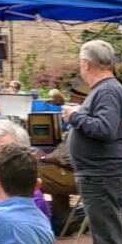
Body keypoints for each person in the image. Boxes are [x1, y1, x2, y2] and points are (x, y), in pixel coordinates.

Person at [62, 39, 122, 244]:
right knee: (110, 236)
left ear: (85, 63)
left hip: (102, 174)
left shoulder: (108, 91)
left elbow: (104, 128)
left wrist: (75, 116)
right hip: (99, 173)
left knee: (107, 238)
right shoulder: (106, 90)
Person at [35, 84, 82, 235]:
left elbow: (67, 159)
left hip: (83, 178)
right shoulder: (88, 122)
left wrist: (43, 157)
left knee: (31, 176)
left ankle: (33, 225)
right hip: (86, 175)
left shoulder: (81, 125)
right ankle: (65, 223)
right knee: (53, 174)